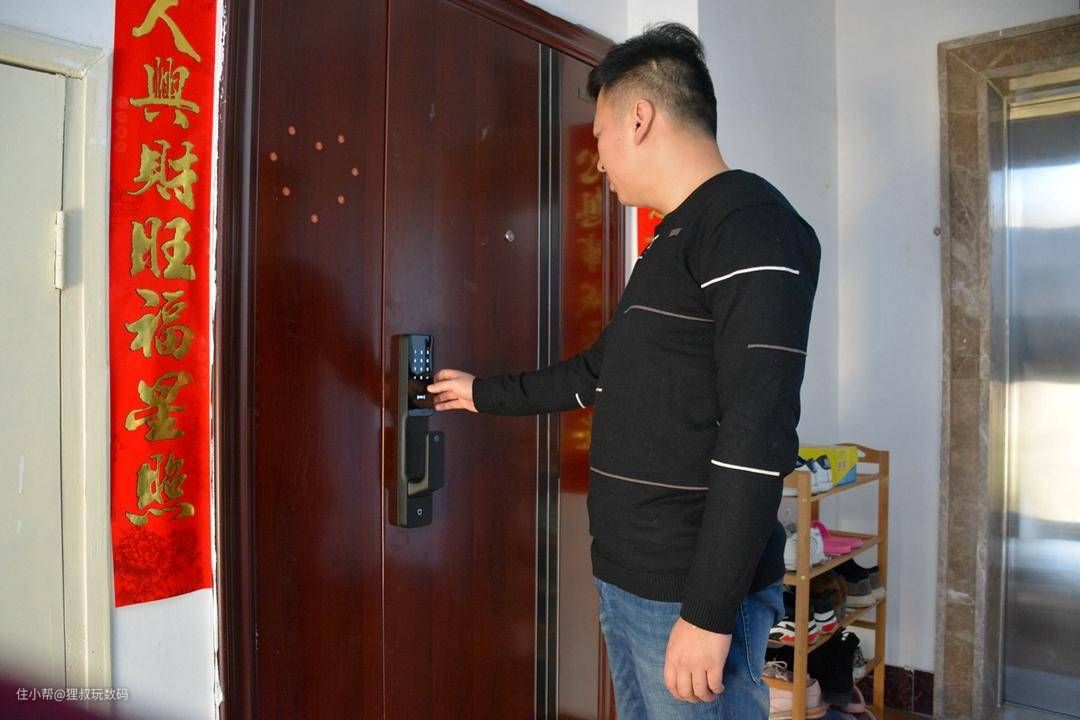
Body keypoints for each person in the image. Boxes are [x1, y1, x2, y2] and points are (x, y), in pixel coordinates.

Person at [428, 23, 820, 720]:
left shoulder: (748, 225)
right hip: (630, 576)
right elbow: (602, 372)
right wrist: (482, 395)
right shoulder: (674, 236)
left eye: (600, 135)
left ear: (639, 118)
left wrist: (707, 613)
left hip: (686, 591)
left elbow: (758, 432)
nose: (599, 159)